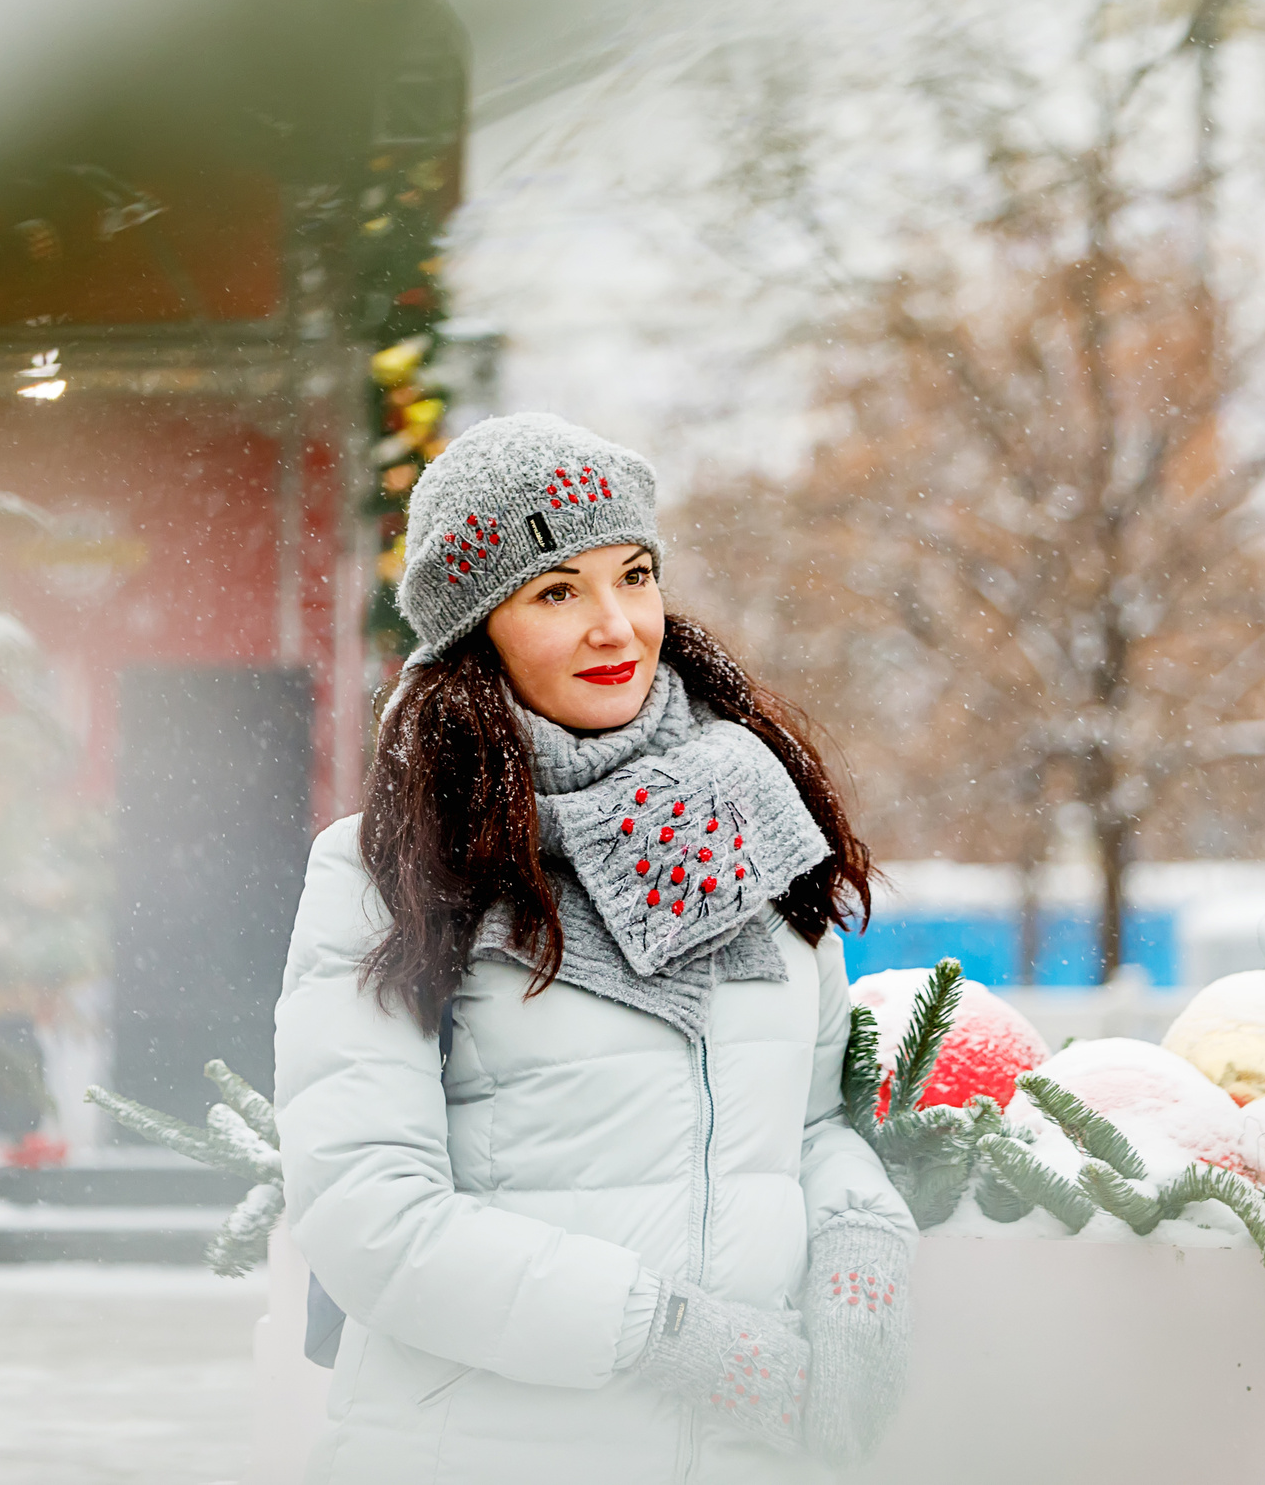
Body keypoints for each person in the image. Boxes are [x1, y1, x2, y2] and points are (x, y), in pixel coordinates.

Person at [275, 413, 917, 1484]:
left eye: (634, 574)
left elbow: (805, 1124)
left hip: (738, 1456)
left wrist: (861, 1247)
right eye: (557, 592)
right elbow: (369, 1218)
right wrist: (661, 1335)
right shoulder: (394, 868)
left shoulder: (745, 827)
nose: (616, 626)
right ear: (478, 633)